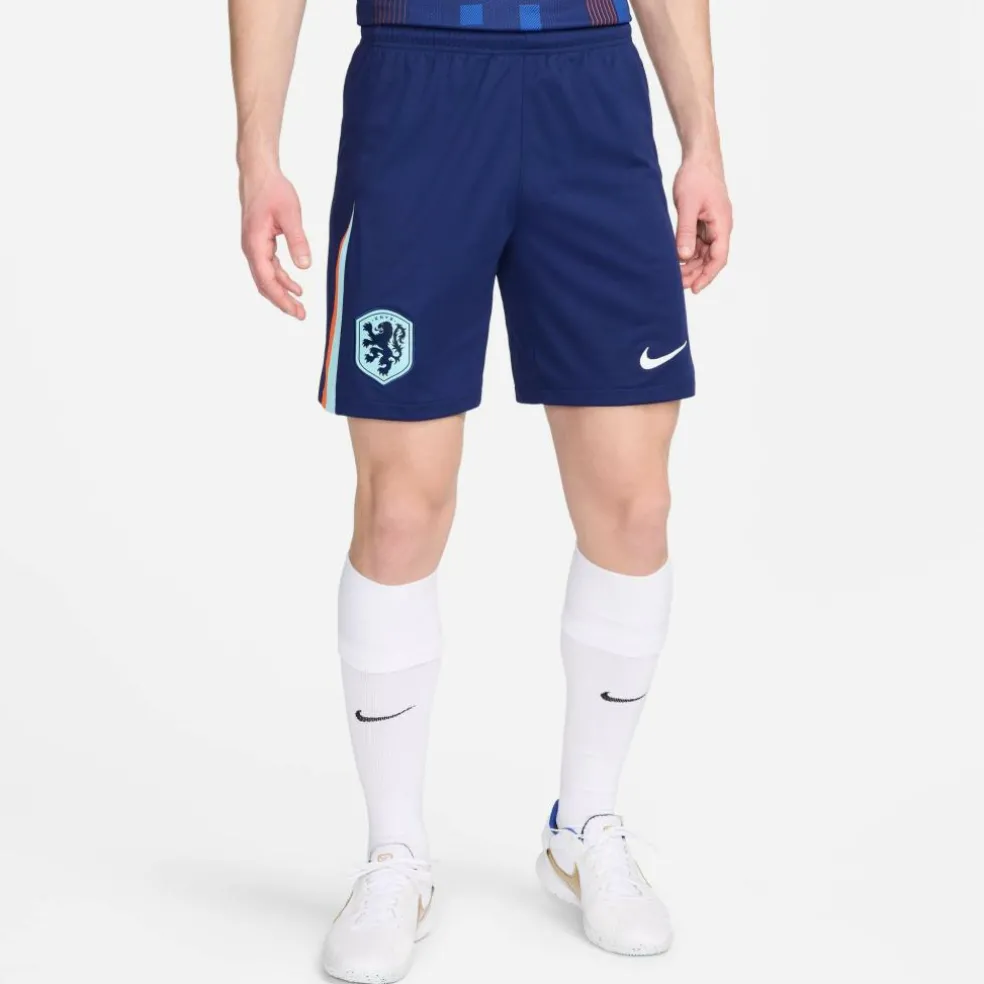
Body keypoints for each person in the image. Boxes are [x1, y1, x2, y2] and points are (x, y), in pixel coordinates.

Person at [230, 0, 731, 977]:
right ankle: (394, 853)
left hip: (590, 86)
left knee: (635, 504)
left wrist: (701, 138)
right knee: (400, 510)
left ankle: (585, 825)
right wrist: (258, 154)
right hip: (417, 84)